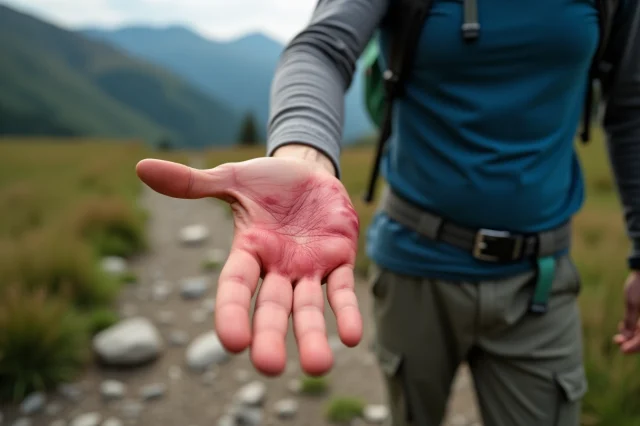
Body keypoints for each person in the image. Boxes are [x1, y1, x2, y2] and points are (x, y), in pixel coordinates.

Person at [136, 0, 640, 424]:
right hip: (415, 267)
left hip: (541, 282)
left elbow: (630, 106)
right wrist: (303, 150)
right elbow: (323, 47)